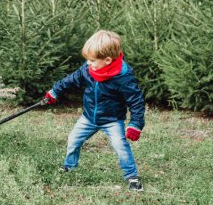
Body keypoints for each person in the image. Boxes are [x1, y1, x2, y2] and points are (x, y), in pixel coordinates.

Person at [45, 30, 145, 191]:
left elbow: (136, 101)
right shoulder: (89, 68)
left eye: (92, 60)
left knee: (121, 145)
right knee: (73, 140)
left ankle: (132, 176)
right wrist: (55, 91)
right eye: (88, 60)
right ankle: (69, 166)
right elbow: (72, 79)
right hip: (89, 117)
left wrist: (136, 124)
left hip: (112, 120)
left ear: (107, 60)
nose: (89, 63)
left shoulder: (123, 77)